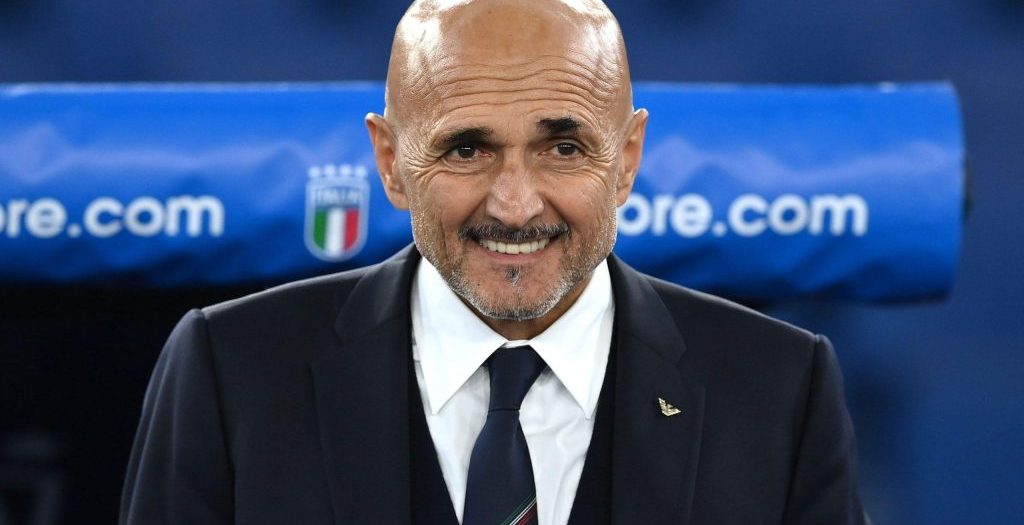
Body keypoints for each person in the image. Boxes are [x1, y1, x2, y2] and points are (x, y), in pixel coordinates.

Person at [120, 0, 865, 523]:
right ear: (391, 161)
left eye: (563, 147)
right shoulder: (231, 370)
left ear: (628, 158)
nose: (514, 205)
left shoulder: (781, 388)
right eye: (467, 149)